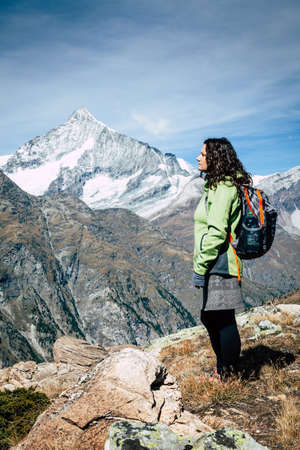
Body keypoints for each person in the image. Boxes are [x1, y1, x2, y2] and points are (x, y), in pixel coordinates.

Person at [192, 137, 252, 381]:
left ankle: (228, 374)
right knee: (212, 316)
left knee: (222, 319)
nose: (198, 158)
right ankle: (224, 368)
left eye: (203, 154)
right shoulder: (217, 186)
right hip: (216, 263)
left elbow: (217, 233)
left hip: (221, 263)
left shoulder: (223, 189)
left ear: (215, 158)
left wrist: (200, 265)